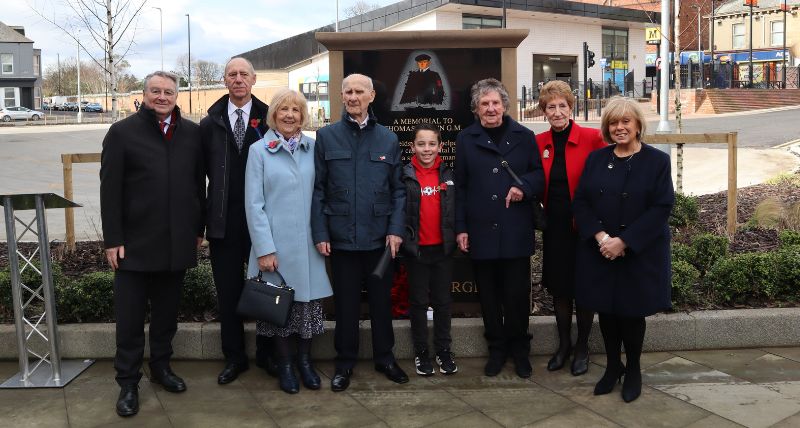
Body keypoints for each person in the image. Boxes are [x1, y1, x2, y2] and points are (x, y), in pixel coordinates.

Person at [100, 71, 204, 417]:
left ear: (177, 96)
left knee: (166, 315)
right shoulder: (122, 133)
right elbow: (109, 190)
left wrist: (198, 228)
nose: (162, 97)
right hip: (133, 245)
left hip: (176, 242)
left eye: (168, 92)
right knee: (129, 319)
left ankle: (161, 368)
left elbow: (197, 185)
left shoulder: (191, 133)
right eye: (155, 91)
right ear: (144, 95)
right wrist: (113, 239)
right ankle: (128, 382)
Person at [572, 96, 674, 403]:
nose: (619, 127)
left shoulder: (657, 161)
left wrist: (624, 242)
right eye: (613, 122)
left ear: (638, 125)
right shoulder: (596, 159)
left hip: (638, 253)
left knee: (631, 313)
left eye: (625, 121)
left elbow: (661, 207)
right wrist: (603, 238)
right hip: (601, 250)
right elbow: (582, 202)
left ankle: (633, 370)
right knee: (607, 310)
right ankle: (613, 366)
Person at [311, 73, 408, 392]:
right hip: (341, 239)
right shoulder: (326, 137)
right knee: (346, 306)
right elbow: (319, 189)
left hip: (380, 239)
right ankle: (344, 363)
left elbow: (398, 191)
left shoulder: (388, 139)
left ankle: (385, 358)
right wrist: (321, 232)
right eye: (348, 92)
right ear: (341, 96)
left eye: (359, 92)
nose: (353, 97)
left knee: (381, 303)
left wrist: (396, 230)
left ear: (371, 96)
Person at [454, 78, 544, 378]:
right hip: (481, 231)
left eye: (495, 103)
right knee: (489, 297)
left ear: (505, 105)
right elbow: (461, 187)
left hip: (515, 228)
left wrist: (524, 187)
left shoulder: (524, 136)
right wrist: (461, 228)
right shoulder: (466, 139)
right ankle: (496, 349)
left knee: (517, 296)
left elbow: (538, 175)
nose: (491, 108)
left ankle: (520, 350)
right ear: (476, 109)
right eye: (484, 104)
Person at [244, 88, 333, 394]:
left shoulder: (313, 147)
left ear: (303, 116)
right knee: (279, 310)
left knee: (306, 308)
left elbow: (321, 195)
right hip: (275, 247)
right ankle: (284, 366)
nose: (290, 115)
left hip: (309, 246)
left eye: (296, 110)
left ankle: (305, 363)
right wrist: (264, 249)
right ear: (274, 114)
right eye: (284, 109)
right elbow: (253, 204)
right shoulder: (259, 151)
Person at [199, 57, 273, 385]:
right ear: (224, 80)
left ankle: (268, 354)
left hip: (262, 223)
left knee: (266, 291)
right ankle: (234, 357)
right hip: (223, 223)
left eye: (244, 74)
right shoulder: (209, 124)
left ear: (254, 79)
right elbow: (196, 178)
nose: (238, 79)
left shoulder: (270, 119)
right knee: (228, 294)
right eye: (232, 74)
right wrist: (199, 226)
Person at [534, 80, 606, 376]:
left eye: (562, 106)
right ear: (544, 111)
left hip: (585, 226)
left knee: (584, 287)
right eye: (551, 107)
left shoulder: (592, 138)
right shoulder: (539, 142)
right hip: (555, 227)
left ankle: (582, 347)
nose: (557, 112)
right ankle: (564, 345)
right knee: (560, 288)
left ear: (571, 108)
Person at [401, 123, 458, 376]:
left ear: (440, 147)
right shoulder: (405, 175)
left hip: (443, 250)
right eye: (421, 144)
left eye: (432, 144)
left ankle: (443, 350)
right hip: (417, 251)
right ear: (412, 146)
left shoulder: (448, 175)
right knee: (419, 302)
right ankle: (422, 351)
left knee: (443, 302)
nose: (427, 149)